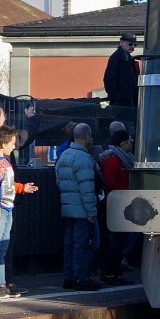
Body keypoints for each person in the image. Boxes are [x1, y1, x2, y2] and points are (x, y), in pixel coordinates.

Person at [0, 126, 38, 298]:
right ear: (3, 142)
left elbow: (7, 185)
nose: (14, 146)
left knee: (2, 247)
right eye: (12, 143)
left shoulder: (4, 160)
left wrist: (22, 188)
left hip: (6, 207)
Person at [56, 123, 101, 290]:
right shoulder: (84, 158)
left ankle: (68, 278)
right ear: (87, 136)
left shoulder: (64, 155)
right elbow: (87, 188)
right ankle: (81, 278)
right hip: (82, 210)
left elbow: (59, 181)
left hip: (67, 207)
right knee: (83, 244)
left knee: (69, 244)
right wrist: (91, 211)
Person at [98, 128, 135, 284]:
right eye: (130, 142)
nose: (132, 145)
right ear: (123, 143)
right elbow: (110, 182)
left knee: (119, 240)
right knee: (117, 241)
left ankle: (115, 272)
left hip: (120, 202)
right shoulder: (114, 160)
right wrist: (127, 191)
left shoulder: (121, 158)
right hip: (115, 203)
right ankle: (110, 272)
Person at [103, 33, 140, 108]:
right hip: (122, 104)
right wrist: (117, 98)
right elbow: (109, 80)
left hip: (129, 102)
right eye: (130, 44)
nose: (133, 47)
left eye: (134, 45)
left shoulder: (130, 60)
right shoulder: (116, 58)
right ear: (121, 42)